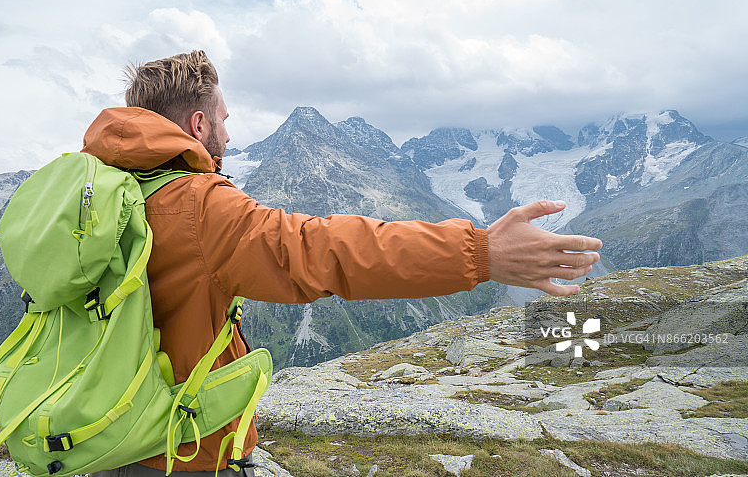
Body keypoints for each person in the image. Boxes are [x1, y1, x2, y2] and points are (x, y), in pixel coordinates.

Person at [84, 50, 602, 476]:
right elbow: (326, 250)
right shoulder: (198, 207)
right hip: (177, 451)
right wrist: (479, 252)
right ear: (198, 124)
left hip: (98, 434)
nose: (228, 134)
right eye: (223, 120)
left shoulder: (94, 196)